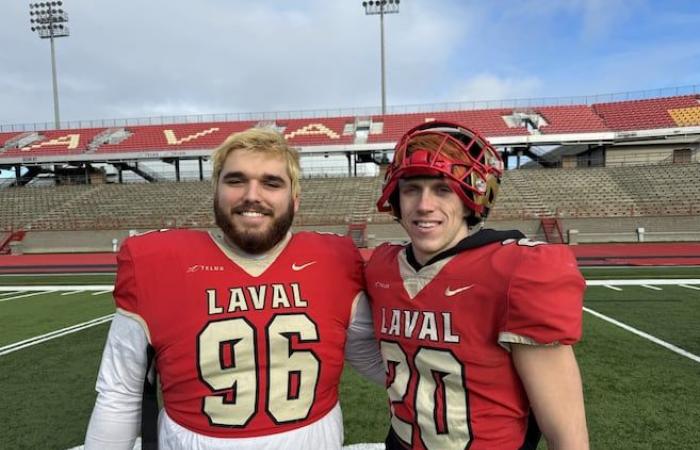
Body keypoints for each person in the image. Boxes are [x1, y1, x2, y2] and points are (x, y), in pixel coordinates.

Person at [85, 128, 384, 450]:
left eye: (271, 182)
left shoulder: (334, 261)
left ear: (294, 201)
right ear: (216, 192)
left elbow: (375, 360)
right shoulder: (157, 262)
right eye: (236, 180)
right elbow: (119, 392)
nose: (252, 195)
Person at [364, 121, 588, 450]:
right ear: (395, 196)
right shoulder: (382, 267)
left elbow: (565, 431)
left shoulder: (516, 272)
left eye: (443, 189)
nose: (424, 205)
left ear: (471, 197)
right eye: (412, 188)